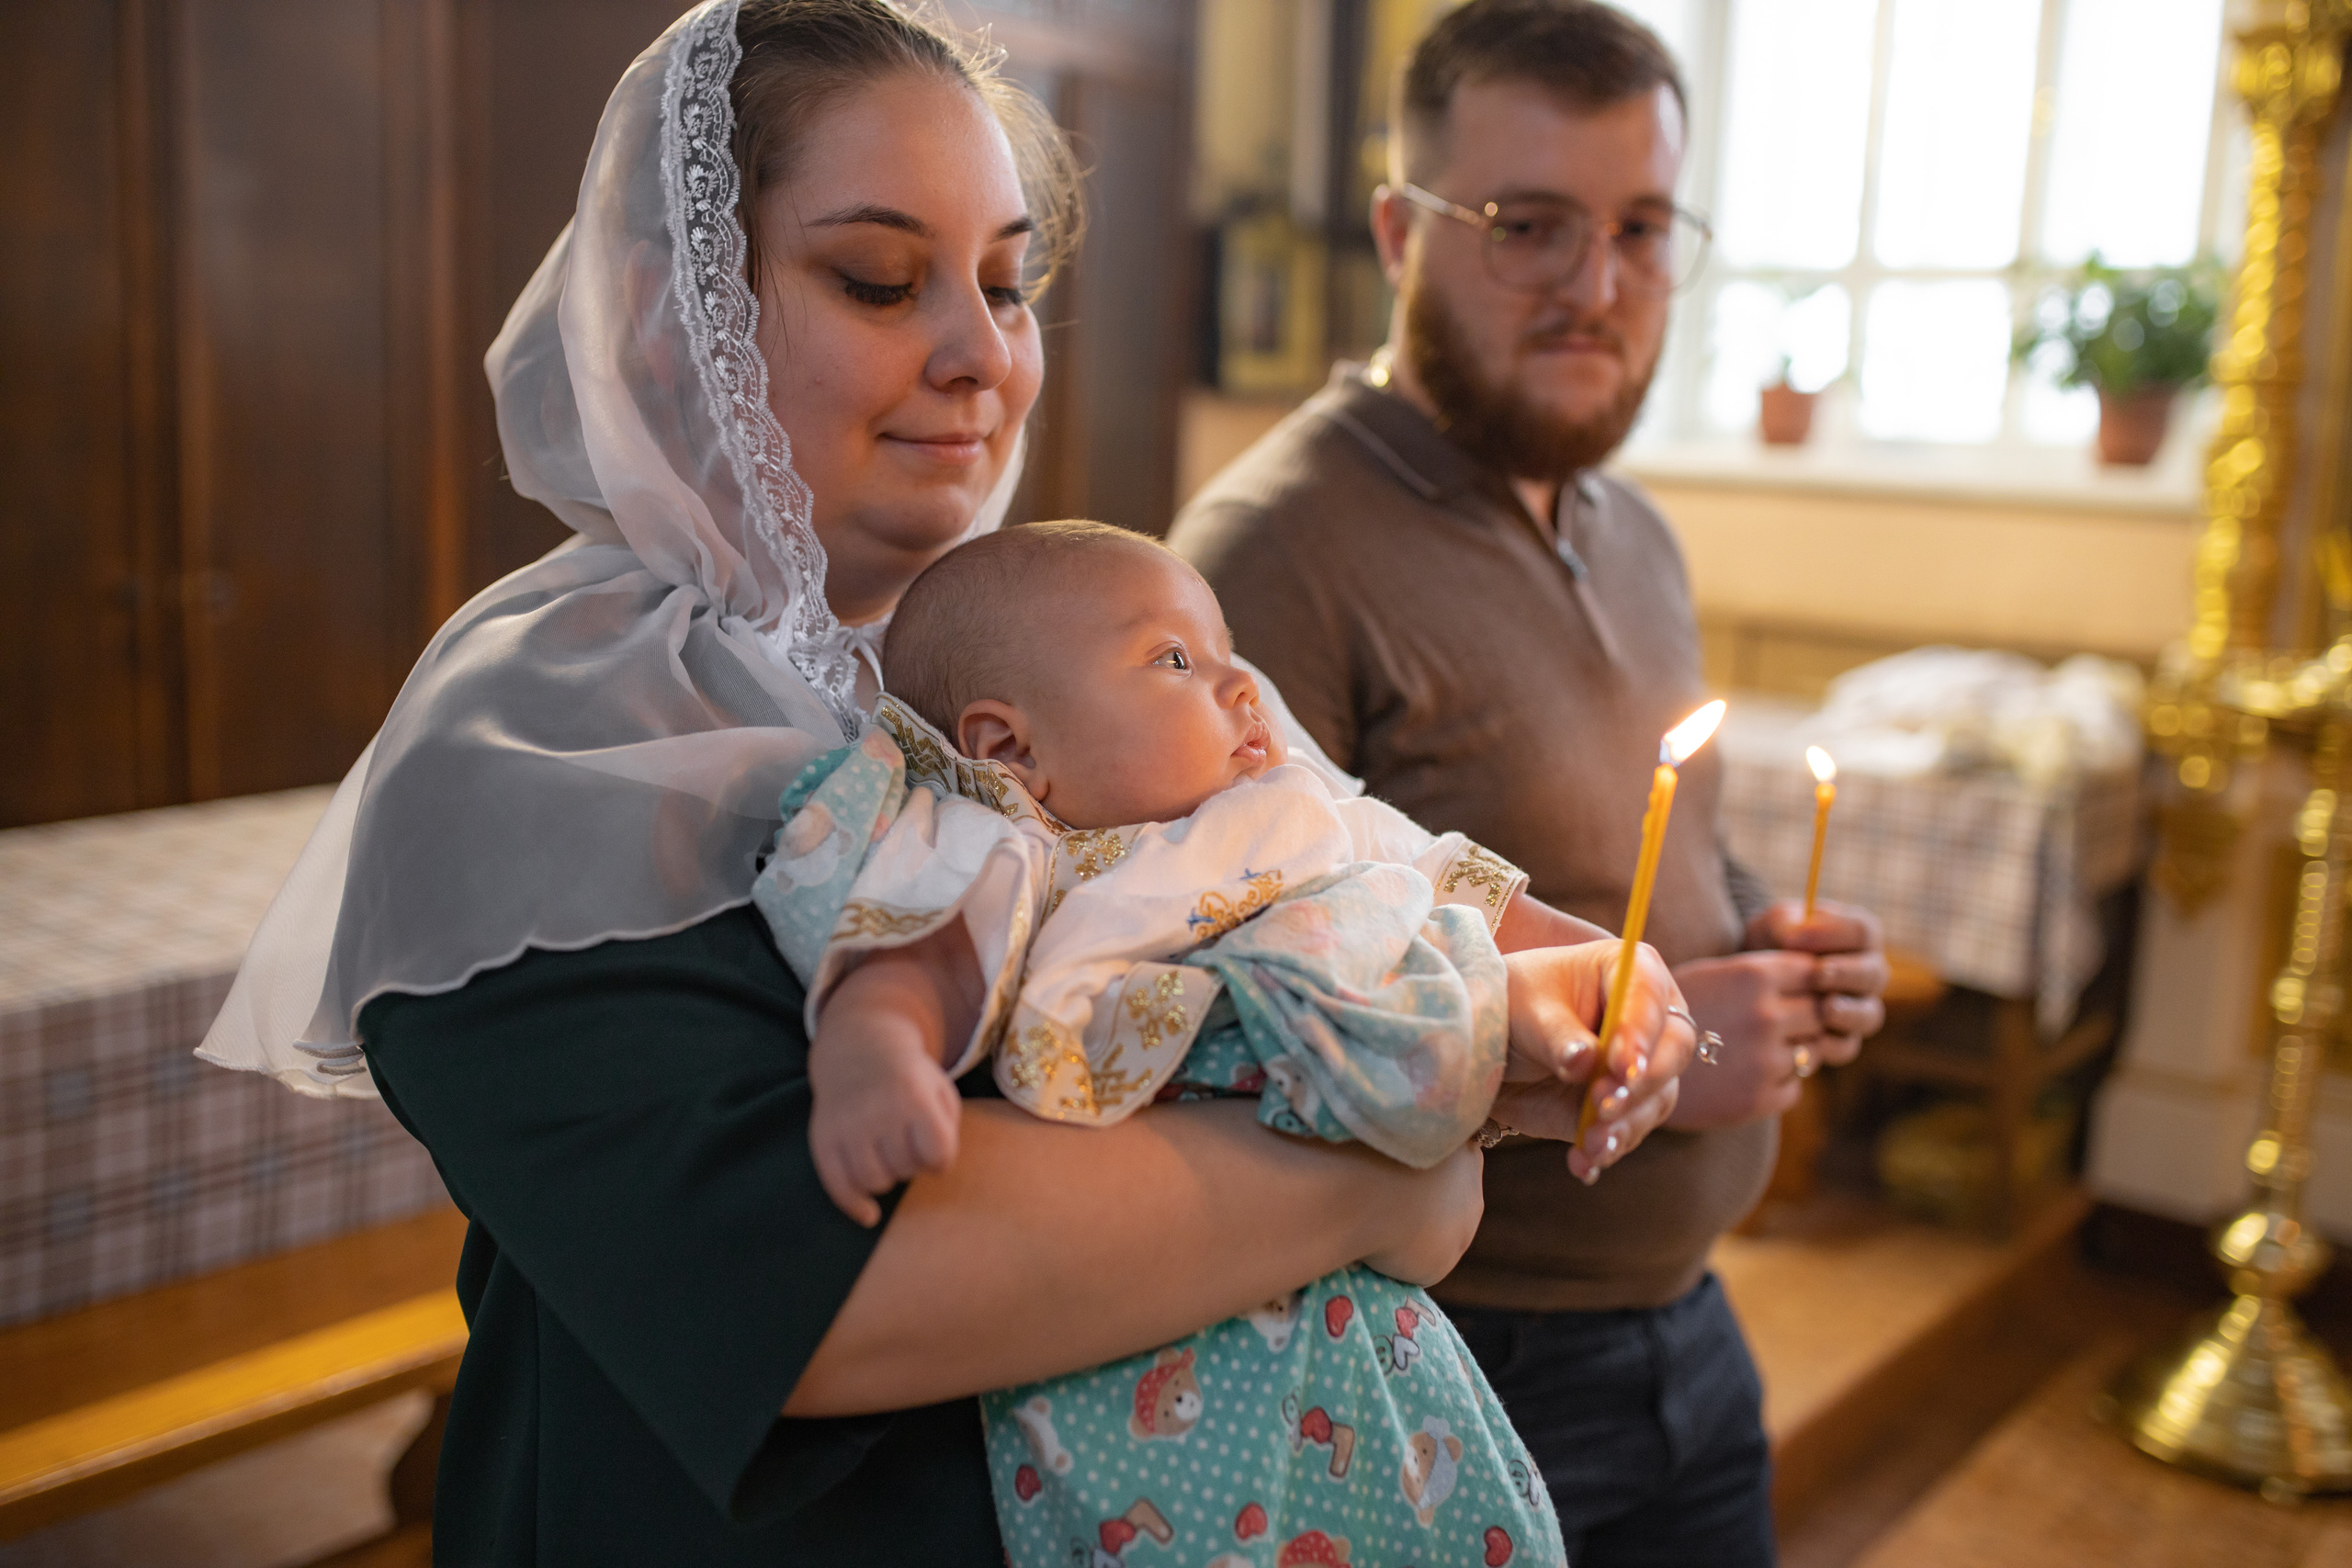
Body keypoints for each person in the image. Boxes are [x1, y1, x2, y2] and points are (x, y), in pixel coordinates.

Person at [195, 4, 1692, 1562]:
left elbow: (1366, 923)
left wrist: (1548, 1001)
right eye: (881, 278)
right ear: (667, 314)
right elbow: (818, 1308)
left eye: (1006, 281)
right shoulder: (545, 737)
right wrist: (1385, 1173)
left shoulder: (1081, 651)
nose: (981, 357)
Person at [1169, 3, 1892, 1564]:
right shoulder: (1266, 553)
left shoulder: (1631, 527)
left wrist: (1775, 947)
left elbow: (1657, 865)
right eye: (1530, 227)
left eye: (1641, 228)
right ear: (1396, 232)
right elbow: (1219, 1032)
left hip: (1690, 1332)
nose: (1599, 285)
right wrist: (1637, 1050)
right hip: (1445, 1362)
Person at [759, 519, 1594, 1567]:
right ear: (1011, 747)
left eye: (1225, 652)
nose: (1240, 686)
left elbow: (1454, 878)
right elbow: (913, 949)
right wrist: (875, 1053)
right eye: (1174, 661)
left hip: (1357, 1309)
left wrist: (1612, 971)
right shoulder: (1004, 843)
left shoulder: (1287, 811)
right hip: (1144, 1304)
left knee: (1412, 1498)